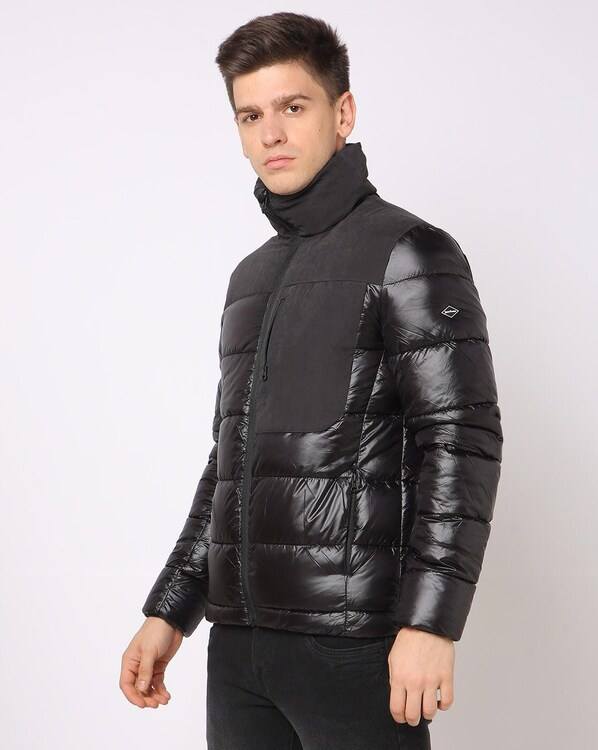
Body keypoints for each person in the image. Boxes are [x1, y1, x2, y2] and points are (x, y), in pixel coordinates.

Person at [119, 12, 503, 750]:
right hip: (239, 650)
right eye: (250, 116)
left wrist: (431, 623)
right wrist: (170, 610)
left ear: (343, 113)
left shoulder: (409, 251)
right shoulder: (250, 279)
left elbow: (462, 441)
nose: (271, 134)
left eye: (293, 107)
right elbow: (231, 465)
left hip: (353, 645)